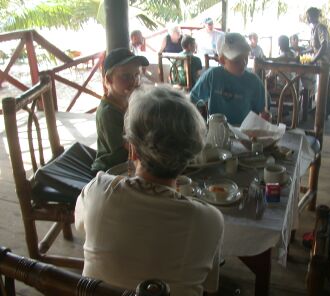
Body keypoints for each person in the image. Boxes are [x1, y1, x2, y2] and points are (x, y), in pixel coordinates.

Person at [76, 86, 224, 296]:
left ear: (133, 150)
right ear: (188, 156)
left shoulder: (99, 190)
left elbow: (80, 225)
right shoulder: (209, 220)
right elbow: (210, 286)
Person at [191, 32, 269, 125]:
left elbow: (262, 110)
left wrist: (265, 116)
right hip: (217, 130)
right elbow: (194, 98)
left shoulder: (254, 81)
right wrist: (201, 116)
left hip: (244, 131)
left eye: (246, 57)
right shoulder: (213, 76)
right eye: (237, 60)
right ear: (222, 60)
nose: (244, 63)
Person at [91, 48, 149, 172]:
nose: (133, 81)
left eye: (136, 75)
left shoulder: (128, 101)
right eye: (126, 76)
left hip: (128, 164)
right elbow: (131, 147)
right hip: (110, 169)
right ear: (109, 79)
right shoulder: (108, 113)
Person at [306, 7, 330, 118]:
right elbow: (314, 48)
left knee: (328, 84)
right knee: (323, 84)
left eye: (308, 16)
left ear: (311, 17)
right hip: (325, 60)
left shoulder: (321, 28)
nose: (307, 18)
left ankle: (324, 112)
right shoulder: (313, 29)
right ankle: (320, 109)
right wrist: (302, 51)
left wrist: (313, 60)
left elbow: (324, 45)